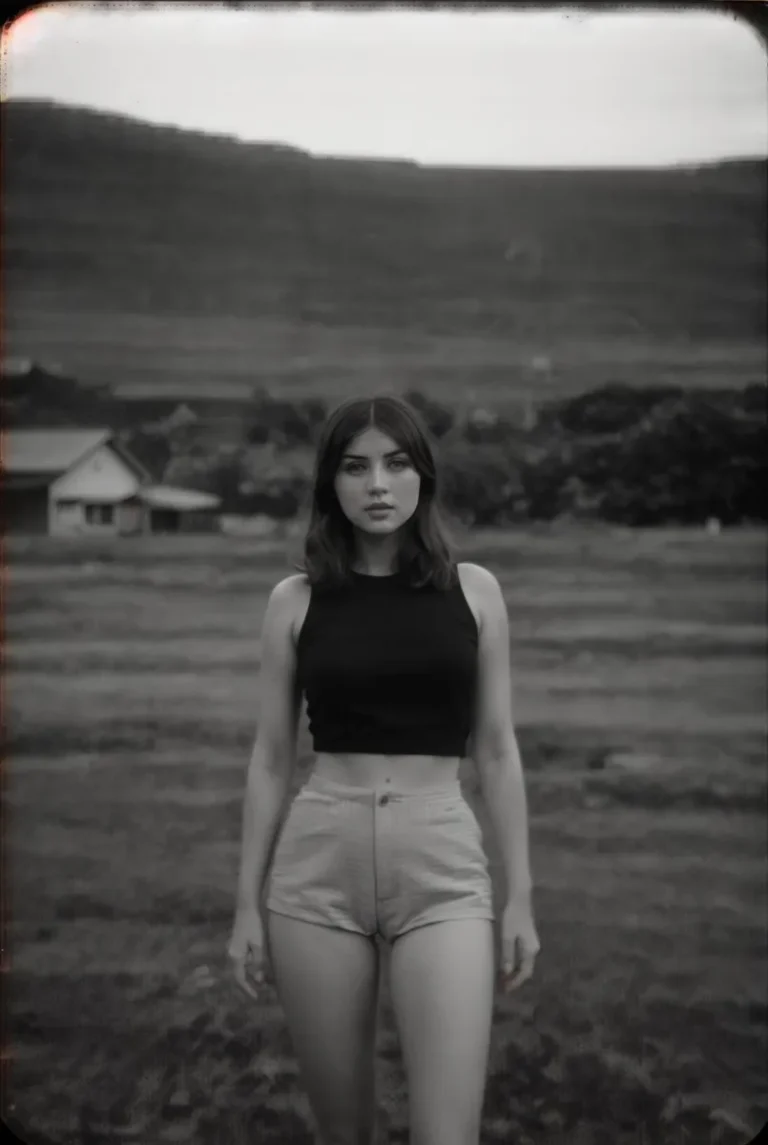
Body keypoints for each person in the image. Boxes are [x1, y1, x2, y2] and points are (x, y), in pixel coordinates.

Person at [227, 394, 539, 1145]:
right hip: (317, 870)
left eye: (396, 464)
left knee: (447, 1134)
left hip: (442, 868)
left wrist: (521, 894)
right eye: (356, 466)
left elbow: (496, 749)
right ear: (330, 484)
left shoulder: (475, 591)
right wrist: (245, 904)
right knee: (346, 1132)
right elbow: (271, 757)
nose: (377, 485)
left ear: (422, 477)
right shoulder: (294, 601)